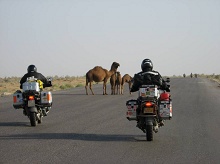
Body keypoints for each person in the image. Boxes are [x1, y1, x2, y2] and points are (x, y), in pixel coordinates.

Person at [130, 59, 170, 127]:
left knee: (138, 103)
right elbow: (162, 83)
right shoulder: (156, 74)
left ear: (142, 66)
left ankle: (140, 118)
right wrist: (166, 87)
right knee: (160, 101)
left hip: (142, 98)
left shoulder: (138, 75)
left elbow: (134, 86)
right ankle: (160, 119)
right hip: (154, 98)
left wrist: (132, 89)